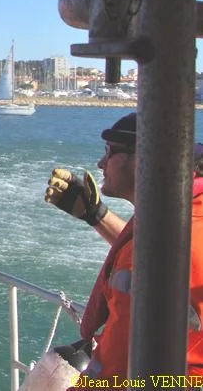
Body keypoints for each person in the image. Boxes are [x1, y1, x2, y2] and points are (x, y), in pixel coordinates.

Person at [44, 112, 203, 385]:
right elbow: (158, 253)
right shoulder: (187, 215)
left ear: (143, 159)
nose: (101, 162)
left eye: (109, 151)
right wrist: (96, 215)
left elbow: (113, 372)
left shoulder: (169, 239)